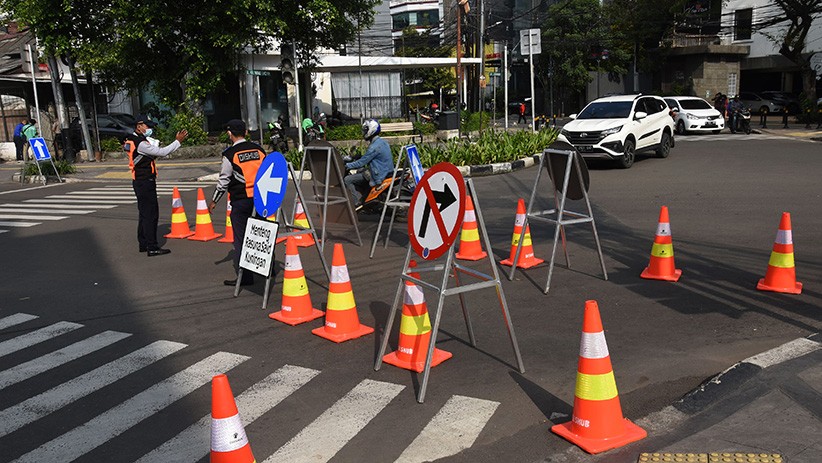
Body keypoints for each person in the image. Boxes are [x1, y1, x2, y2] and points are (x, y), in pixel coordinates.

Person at [208, 119, 267, 287]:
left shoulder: (229, 154)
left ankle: (246, 277)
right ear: (246, 132)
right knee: (261, 235)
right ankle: (267, 269)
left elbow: (223, 181)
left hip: (241, 201)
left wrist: (214, 201)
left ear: (229, 133)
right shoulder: (259, 150)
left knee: (241, 239)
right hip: (260, 201)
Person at [124, 115, 188, 256]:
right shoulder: (140, 143)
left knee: (144, 213)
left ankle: (144, 243)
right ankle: (152, 247)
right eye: (147, 126)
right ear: (139, 126)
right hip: (145, 181)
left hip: (139, 181)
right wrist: (177, 141)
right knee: (151, 214)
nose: (150, 129)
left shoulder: (132, 140)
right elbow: (162, 152)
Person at [343, 119, 393, 211]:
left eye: (365, 130)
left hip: (378, 174)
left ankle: (357, 202)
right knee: (360, 171)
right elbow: (368, 158)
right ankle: (366, 196)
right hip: (385, 170)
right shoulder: (382, 142)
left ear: (371, 130)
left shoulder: (374, 147)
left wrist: (347, 165)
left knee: (347, 179)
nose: (364, 132)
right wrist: (357, 157)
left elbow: (362, 162)